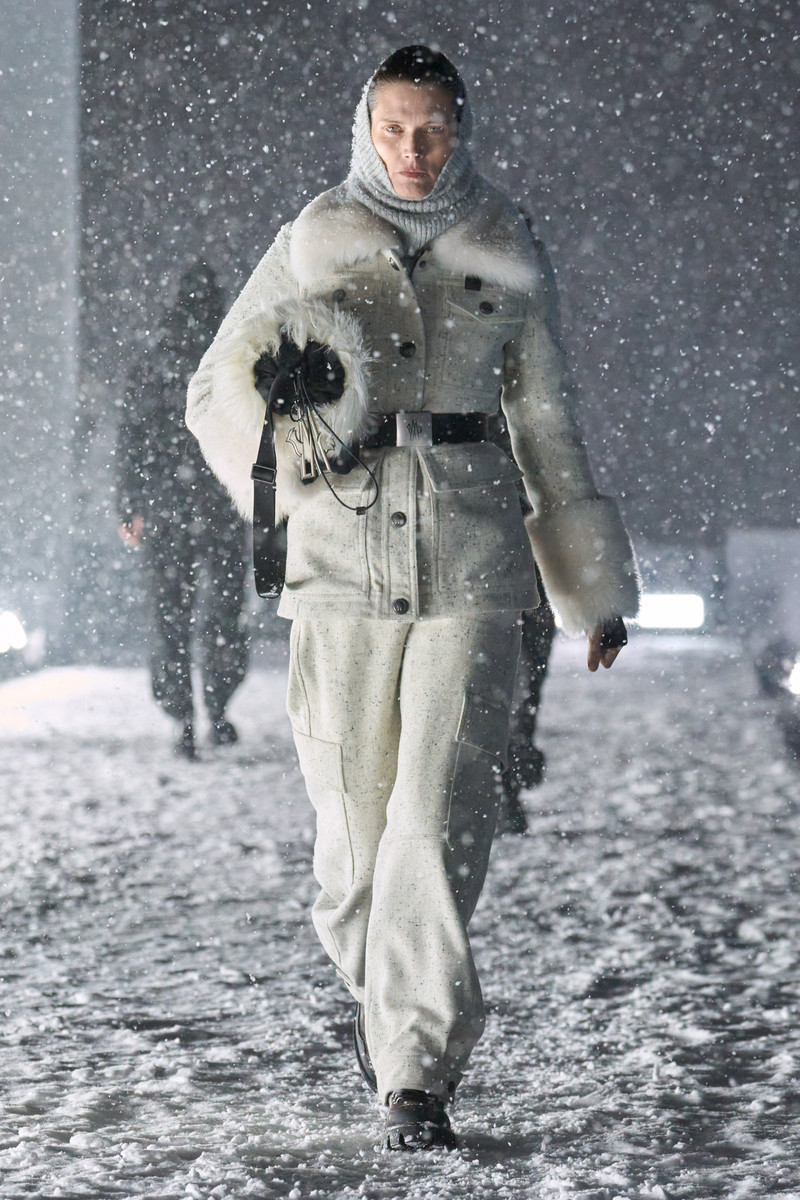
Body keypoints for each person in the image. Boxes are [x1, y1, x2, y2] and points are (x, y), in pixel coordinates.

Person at [186, 47, 640, 1149]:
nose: (412, 148)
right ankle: (387, 1004)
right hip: (337, 560)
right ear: (365, 126)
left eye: (431, 127)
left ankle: (416, 1074)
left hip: (471, 556)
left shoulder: (506, 247)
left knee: (436, 822)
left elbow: (545, 422)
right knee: (351, 846)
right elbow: (213, 391)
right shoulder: (310, 241)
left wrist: (590, 591)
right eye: (393, 126)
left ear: (460, 127)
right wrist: (289, 432)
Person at [117, 262, 249, 760]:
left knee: (171, 615)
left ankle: (184, 717)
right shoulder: (232, 356)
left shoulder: (155, 362)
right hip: (220, 501)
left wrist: (130, 504)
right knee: (222, 613)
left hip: (167, 505)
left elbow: (131, 440)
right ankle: (214, 707)